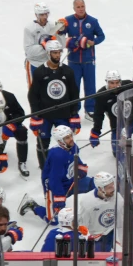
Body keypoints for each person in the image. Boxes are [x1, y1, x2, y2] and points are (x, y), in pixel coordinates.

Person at [18, 126, 94, 224]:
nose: (71, 139)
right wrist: (59, 199)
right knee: (54, 220)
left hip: (70, 180)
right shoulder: (57, 156)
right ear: (60, 141)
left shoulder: (73, 146)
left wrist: (81, 168)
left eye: (70, 136)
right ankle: (32, 205)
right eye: (67, 138)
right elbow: (54, 180)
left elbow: (76, 160)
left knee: (94, 185)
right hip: (53, 185)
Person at [28, 40, 80, 169]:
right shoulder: (40, 72)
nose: (57, 55)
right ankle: (45, 168)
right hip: (45, 115)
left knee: (67, 141)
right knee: (42, 143)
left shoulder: (68, 71)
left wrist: (74, 113)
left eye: (59, 52)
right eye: (54, 53)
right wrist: (36, 115)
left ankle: (68, 165)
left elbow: (74, 93)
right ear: (48, 53)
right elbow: (33, 95)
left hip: (63, 114)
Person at [90, 70, 133, 162]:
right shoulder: (101, 95)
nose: (115, 86)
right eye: (112, 83)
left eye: (117, 82)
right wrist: (95, 132)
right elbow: (98, 116)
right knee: (118, 154)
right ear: (107, 82)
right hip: (118, 126)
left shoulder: (128, 85)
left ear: (120, 81)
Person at [63, 0, 106, 119]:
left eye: (82, 6)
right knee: (74, 86)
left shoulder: (92, 21)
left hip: (88, 60)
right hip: (73, 61)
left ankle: (90, 110)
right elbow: (61, 36)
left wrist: (94, 42)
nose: (81, 9)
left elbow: (102, 36)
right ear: (74, 8)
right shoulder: (68, 20)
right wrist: (68, 40)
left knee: (90, 86)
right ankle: (74, 109)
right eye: (78, 7)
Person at [24, 2, 67, 86]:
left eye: (46, 14)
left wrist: (61, 33)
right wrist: (44, 46)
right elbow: (28, 51)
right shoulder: (29, 28)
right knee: (34, 90)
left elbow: (62, 45)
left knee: (48, 89)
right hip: (34, 63)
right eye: (42, 15)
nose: (45, 17)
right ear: (36, 15)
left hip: (48, 63)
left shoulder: (52, 25)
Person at [77, 172, 122, 252]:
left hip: (111, 234)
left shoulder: (117, 197)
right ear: (100, 188)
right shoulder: (87, 202)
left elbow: (121, 220)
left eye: (112, 185)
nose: (113, 189)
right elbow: (82, 226)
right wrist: (88, 239)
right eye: (109, 187)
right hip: (95, 239)